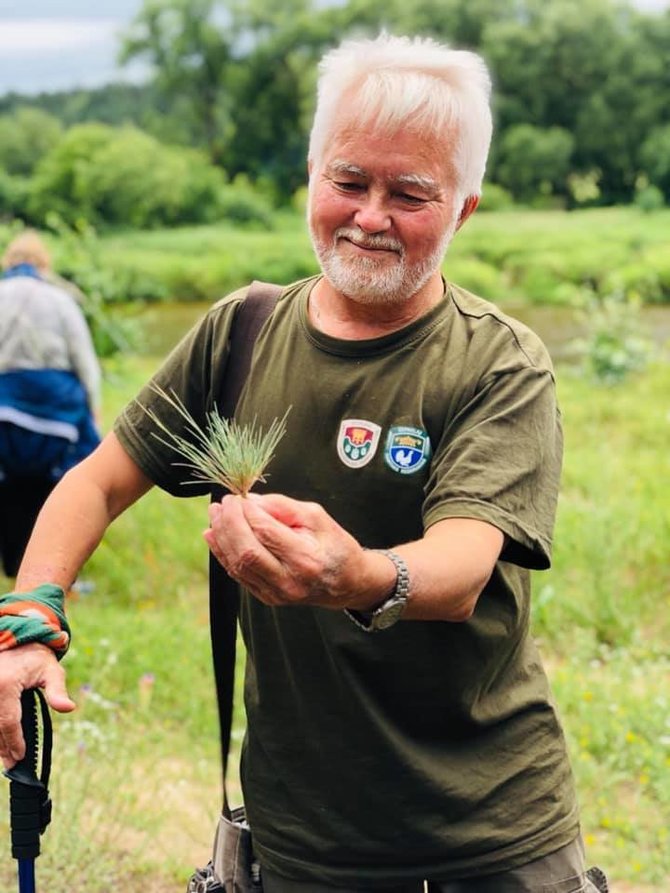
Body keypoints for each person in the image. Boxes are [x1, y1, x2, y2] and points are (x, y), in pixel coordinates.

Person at [0, 34, 608, 892]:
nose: (369, 216)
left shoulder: (497, 361)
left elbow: (463, 565)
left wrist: (355, 572)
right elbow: (98, 480)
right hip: (298, 841)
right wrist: (29, 617)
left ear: (464, 210)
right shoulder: (240, 335)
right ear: (312, 176)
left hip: (487, 838)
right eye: (349, 182)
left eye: (410, 194)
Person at [0, 230, 101, 578]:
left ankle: (11, 563)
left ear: (8, 262)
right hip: (57, 416)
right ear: (44, 264)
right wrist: (94, 410)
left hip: (5, 412)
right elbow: (85, 364)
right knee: (81, 477)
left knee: (9, 486)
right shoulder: (61, 300)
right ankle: (57, 570)